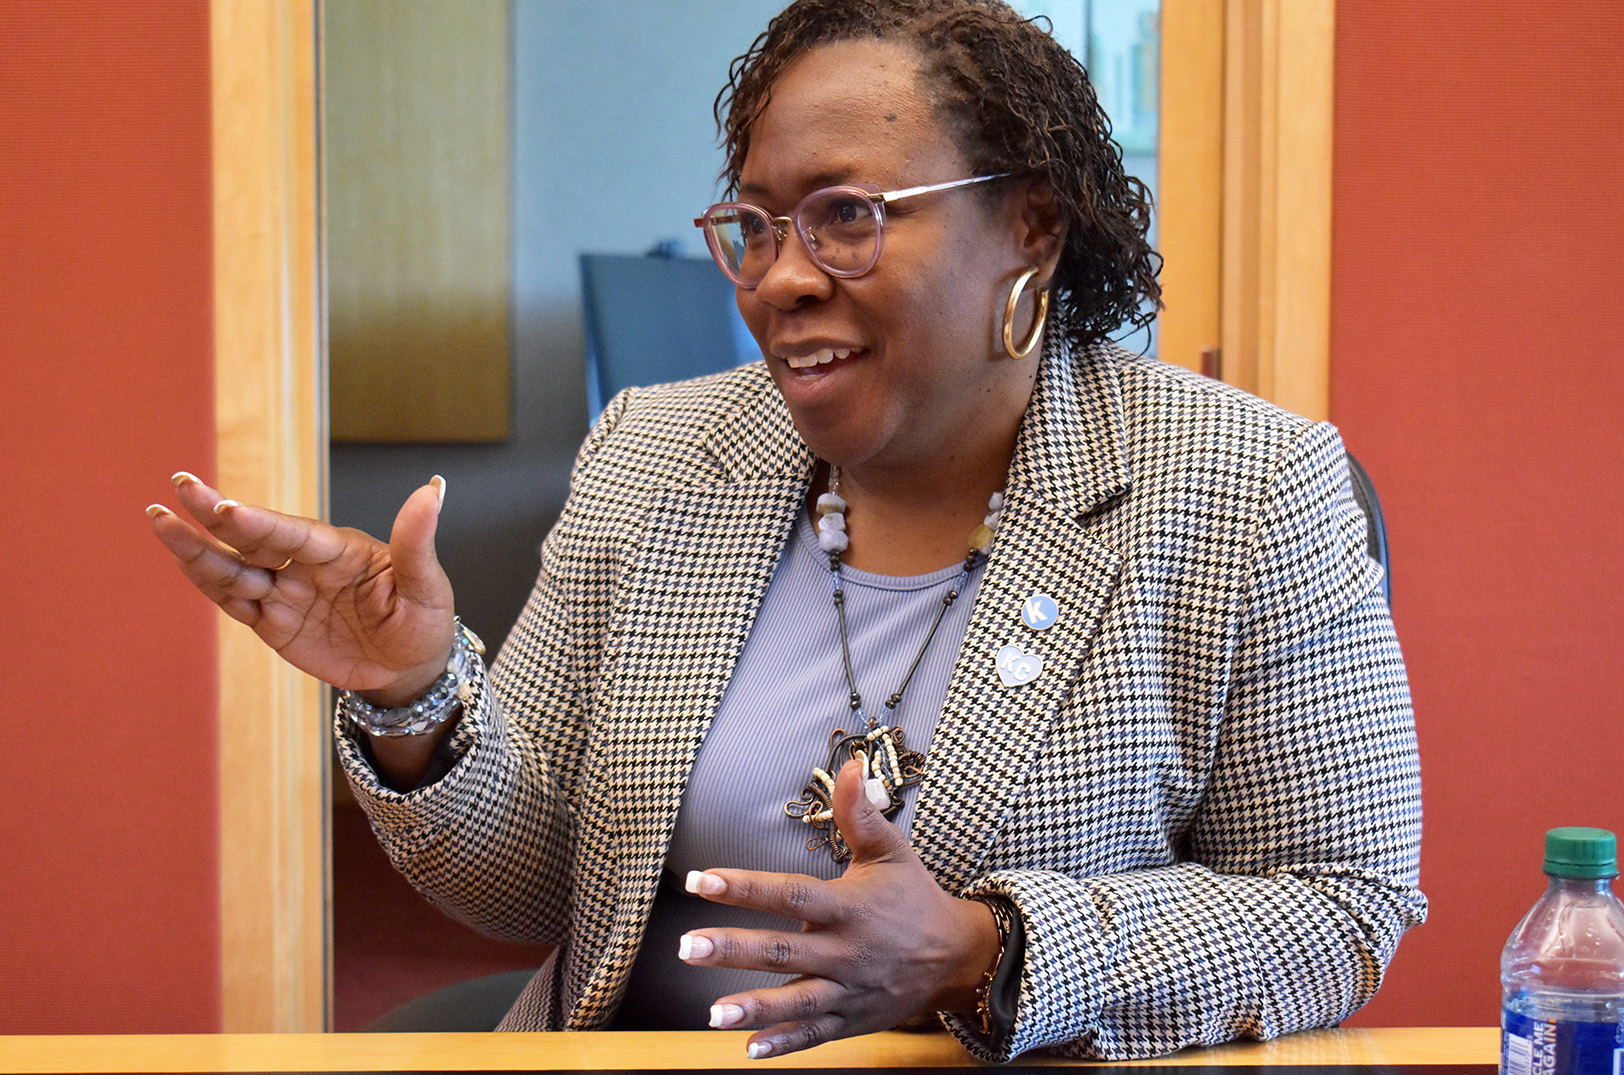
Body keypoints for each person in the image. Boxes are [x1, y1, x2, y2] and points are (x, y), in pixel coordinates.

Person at [148, 0, 1425, 1062]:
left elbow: (1340, 907)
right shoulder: (656, 454)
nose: (780, 277)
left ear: (1028, 223)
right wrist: (415, 702)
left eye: (848, 215)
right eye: (755, 226)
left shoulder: (1246, 487)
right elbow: (530, 885)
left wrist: (984, 949)